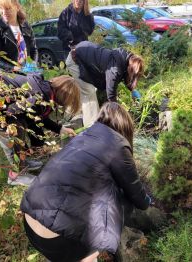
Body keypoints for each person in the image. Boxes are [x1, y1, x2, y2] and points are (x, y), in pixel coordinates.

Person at [20, 102, 151, 262]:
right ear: (125, 126)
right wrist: (148, 201)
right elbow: (138, 197)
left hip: (31, 225)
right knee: (122, 200)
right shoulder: (118, 145)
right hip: (61, 240)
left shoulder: (83, 136)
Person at [0, 73, 80, 185]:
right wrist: (35, 145)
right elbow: (17, 114)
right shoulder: (39, 97)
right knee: (13, 135)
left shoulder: (46, 90)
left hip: (0, 102)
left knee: (20, 124)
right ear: (63, 97)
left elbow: (36, 117)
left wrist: (60, 129)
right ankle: (16, 175)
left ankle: (22, 161)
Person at [66, 41, 144, 128]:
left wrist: (132, 90)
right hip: (75, 60)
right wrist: (117, 113)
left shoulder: (126, 57)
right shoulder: (115, 69)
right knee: (89, 92)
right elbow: (110, 94)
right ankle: (92, 128)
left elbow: (126, 74)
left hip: (84, 53)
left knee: (89, 89)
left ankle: (75, 111)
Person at [0, 0, 38, 72]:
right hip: (9, 75)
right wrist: (16, 68)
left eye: (8, 8)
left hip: (28, 72)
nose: (4, 12)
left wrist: (33, 64)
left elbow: (34, 50)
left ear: (17, 7)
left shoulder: (26, 25)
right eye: (0, 8)